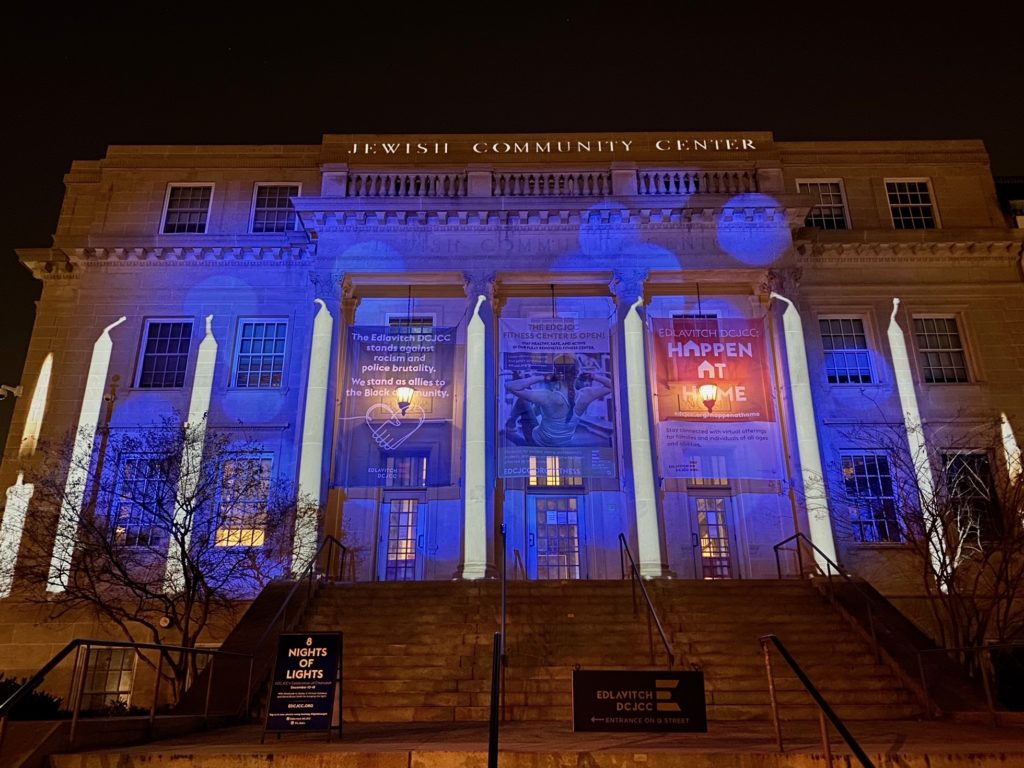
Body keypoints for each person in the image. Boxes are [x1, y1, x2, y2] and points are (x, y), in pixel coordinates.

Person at [504, 354, 612, 447]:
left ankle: (511, 425)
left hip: (540, 441)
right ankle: (512, 424)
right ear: (577, 373)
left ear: (555, 374)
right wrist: (593, 376)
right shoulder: (586, 395)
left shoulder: (547, 396)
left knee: (523, 401)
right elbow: (611, 386)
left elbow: (510, 386)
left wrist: (543, 377)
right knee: (537, 406)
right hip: (565, 442)